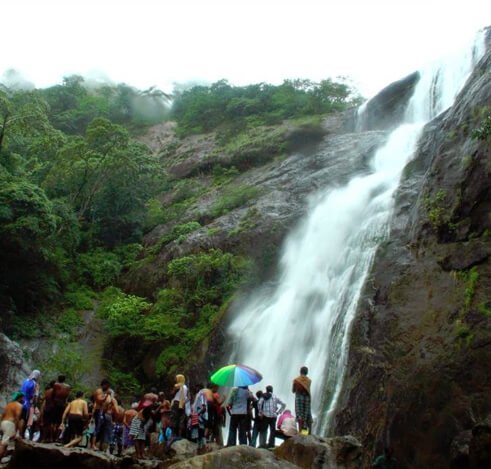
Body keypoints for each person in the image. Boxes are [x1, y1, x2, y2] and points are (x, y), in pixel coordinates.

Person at [91, 378, 117, 451]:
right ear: (104, 384)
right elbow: (100, 401)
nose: (108, 388)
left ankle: (97, 445)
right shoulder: (99, 391)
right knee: (97, 428)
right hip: (98, 411)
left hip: (102, 412)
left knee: (101, 429)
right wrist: (106, 396)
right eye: (107, 386)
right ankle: (93, 445)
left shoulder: (104, 392)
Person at [0, 392, 24, 459]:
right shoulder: (19, 405)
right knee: (3, 445)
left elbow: (2, 415)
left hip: (3, 423)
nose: (23, 399)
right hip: (10, 424)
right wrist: (18, 430)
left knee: (6, 444)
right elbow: (17, 418)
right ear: (20, 398)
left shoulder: (9, 404)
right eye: (23, 398)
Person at [20, 370, 41, 438]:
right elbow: (35, 397)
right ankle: (21, 434)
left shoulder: (25, 381)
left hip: (20, 400)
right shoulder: (36, 384)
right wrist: (34, 405)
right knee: (23, 418)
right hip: (27, 403)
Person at [292, 366, 312, 433]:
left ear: (300, 372)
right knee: (306, 416)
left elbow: (293, 390)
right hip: (307, 399)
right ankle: (306, 433)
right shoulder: (309, 381)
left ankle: (301, 433)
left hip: (298, 398)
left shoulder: (296, 380)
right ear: (307, 372)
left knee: (299, 416)